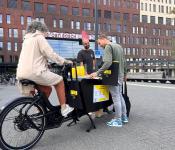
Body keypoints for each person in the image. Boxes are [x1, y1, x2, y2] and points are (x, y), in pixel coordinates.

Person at [16, 20, 73, 117]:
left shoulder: (27, 39)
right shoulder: (39, 37)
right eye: (46, 32)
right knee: (59, 81)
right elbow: (50, 53)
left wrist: (46, 63)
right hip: (34, 72)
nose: (46, 35)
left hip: (21, 73)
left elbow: (34, 56)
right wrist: (64, 61)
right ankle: (64, 108)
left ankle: (40, 110)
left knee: (47, 89)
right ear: (41, 30)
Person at [90, 34, 128, 127]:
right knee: (120, 96)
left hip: (113, 76)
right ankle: (124, 117)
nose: (99, 45)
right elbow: (124, 61)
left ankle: (118, 120)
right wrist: (125, 73)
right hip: (120, 74)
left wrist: (97, 73)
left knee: (116, 98)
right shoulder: (118, 46)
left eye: (99, 42)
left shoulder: (108, 47)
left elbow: (107, 62)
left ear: (103, 39)